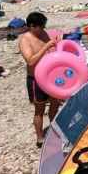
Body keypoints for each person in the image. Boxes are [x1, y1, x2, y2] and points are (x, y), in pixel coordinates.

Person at [18, 12, 61, 147]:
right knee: (39, 110)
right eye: (41, 26)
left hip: (50, 76)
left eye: (44, 26)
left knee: (55, 104)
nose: (43, 29)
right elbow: (30, 61)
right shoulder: (25, 39)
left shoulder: (43, 33)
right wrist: (46, 46)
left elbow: (51, 51)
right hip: (36, 78)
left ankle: (55, 131)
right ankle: (40, 138)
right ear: (32, 26)